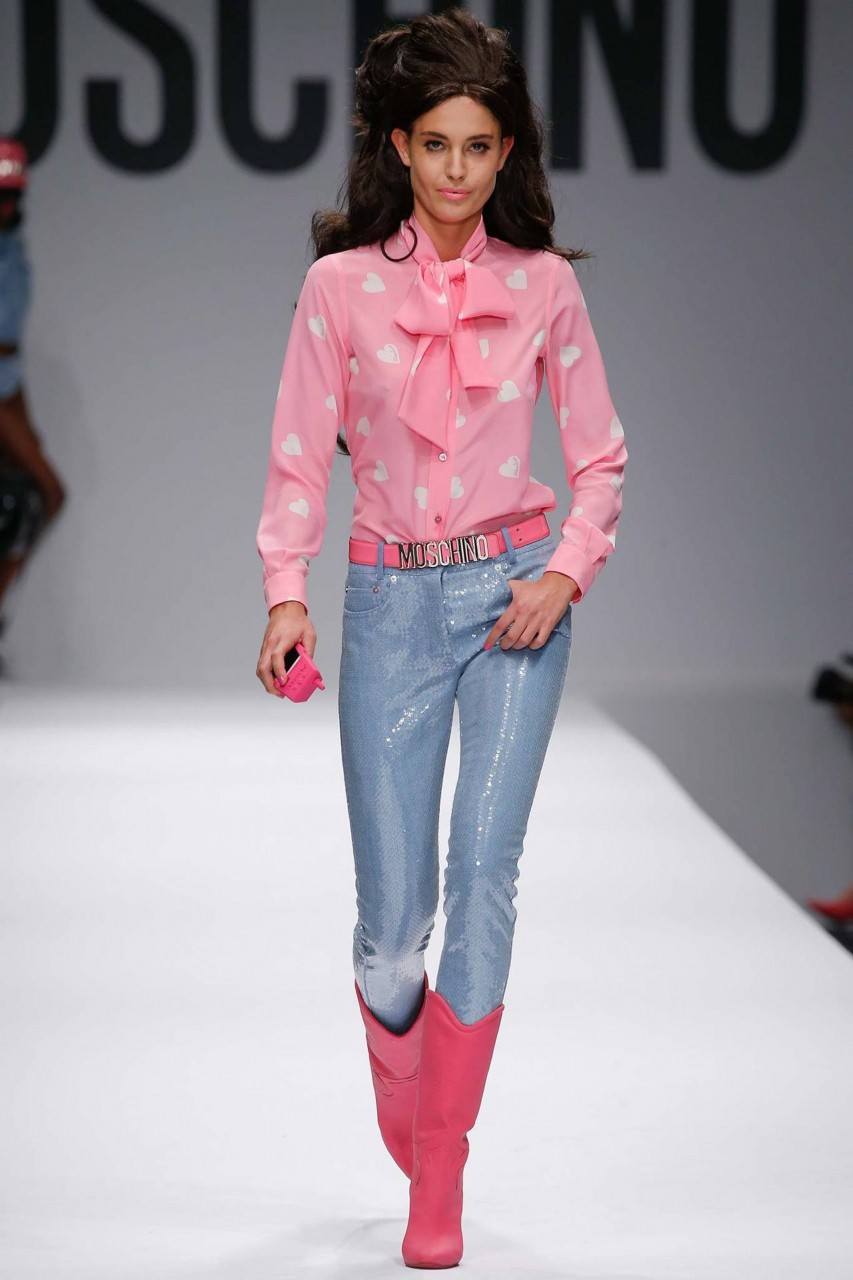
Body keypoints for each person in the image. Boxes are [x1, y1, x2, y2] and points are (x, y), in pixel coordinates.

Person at [255, 8, 628, 1268]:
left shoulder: (546, 285)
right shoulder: (338, 290)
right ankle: (408, 1093)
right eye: (436, 145)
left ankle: (443, 1160)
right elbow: (297, 455)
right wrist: (286, 592)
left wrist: (565, 572)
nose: (458, 169)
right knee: (391, 917)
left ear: (506, 150)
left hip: (514, 602)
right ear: (398, 148)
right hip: (391, 607)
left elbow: (600, 458)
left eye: (480, 145)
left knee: (482, 871)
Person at [0, 137, 66, 641]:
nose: (5, 205)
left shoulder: (12, 248)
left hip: (8, 385)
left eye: (12, 195)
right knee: (42, 493)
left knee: (33, 500)